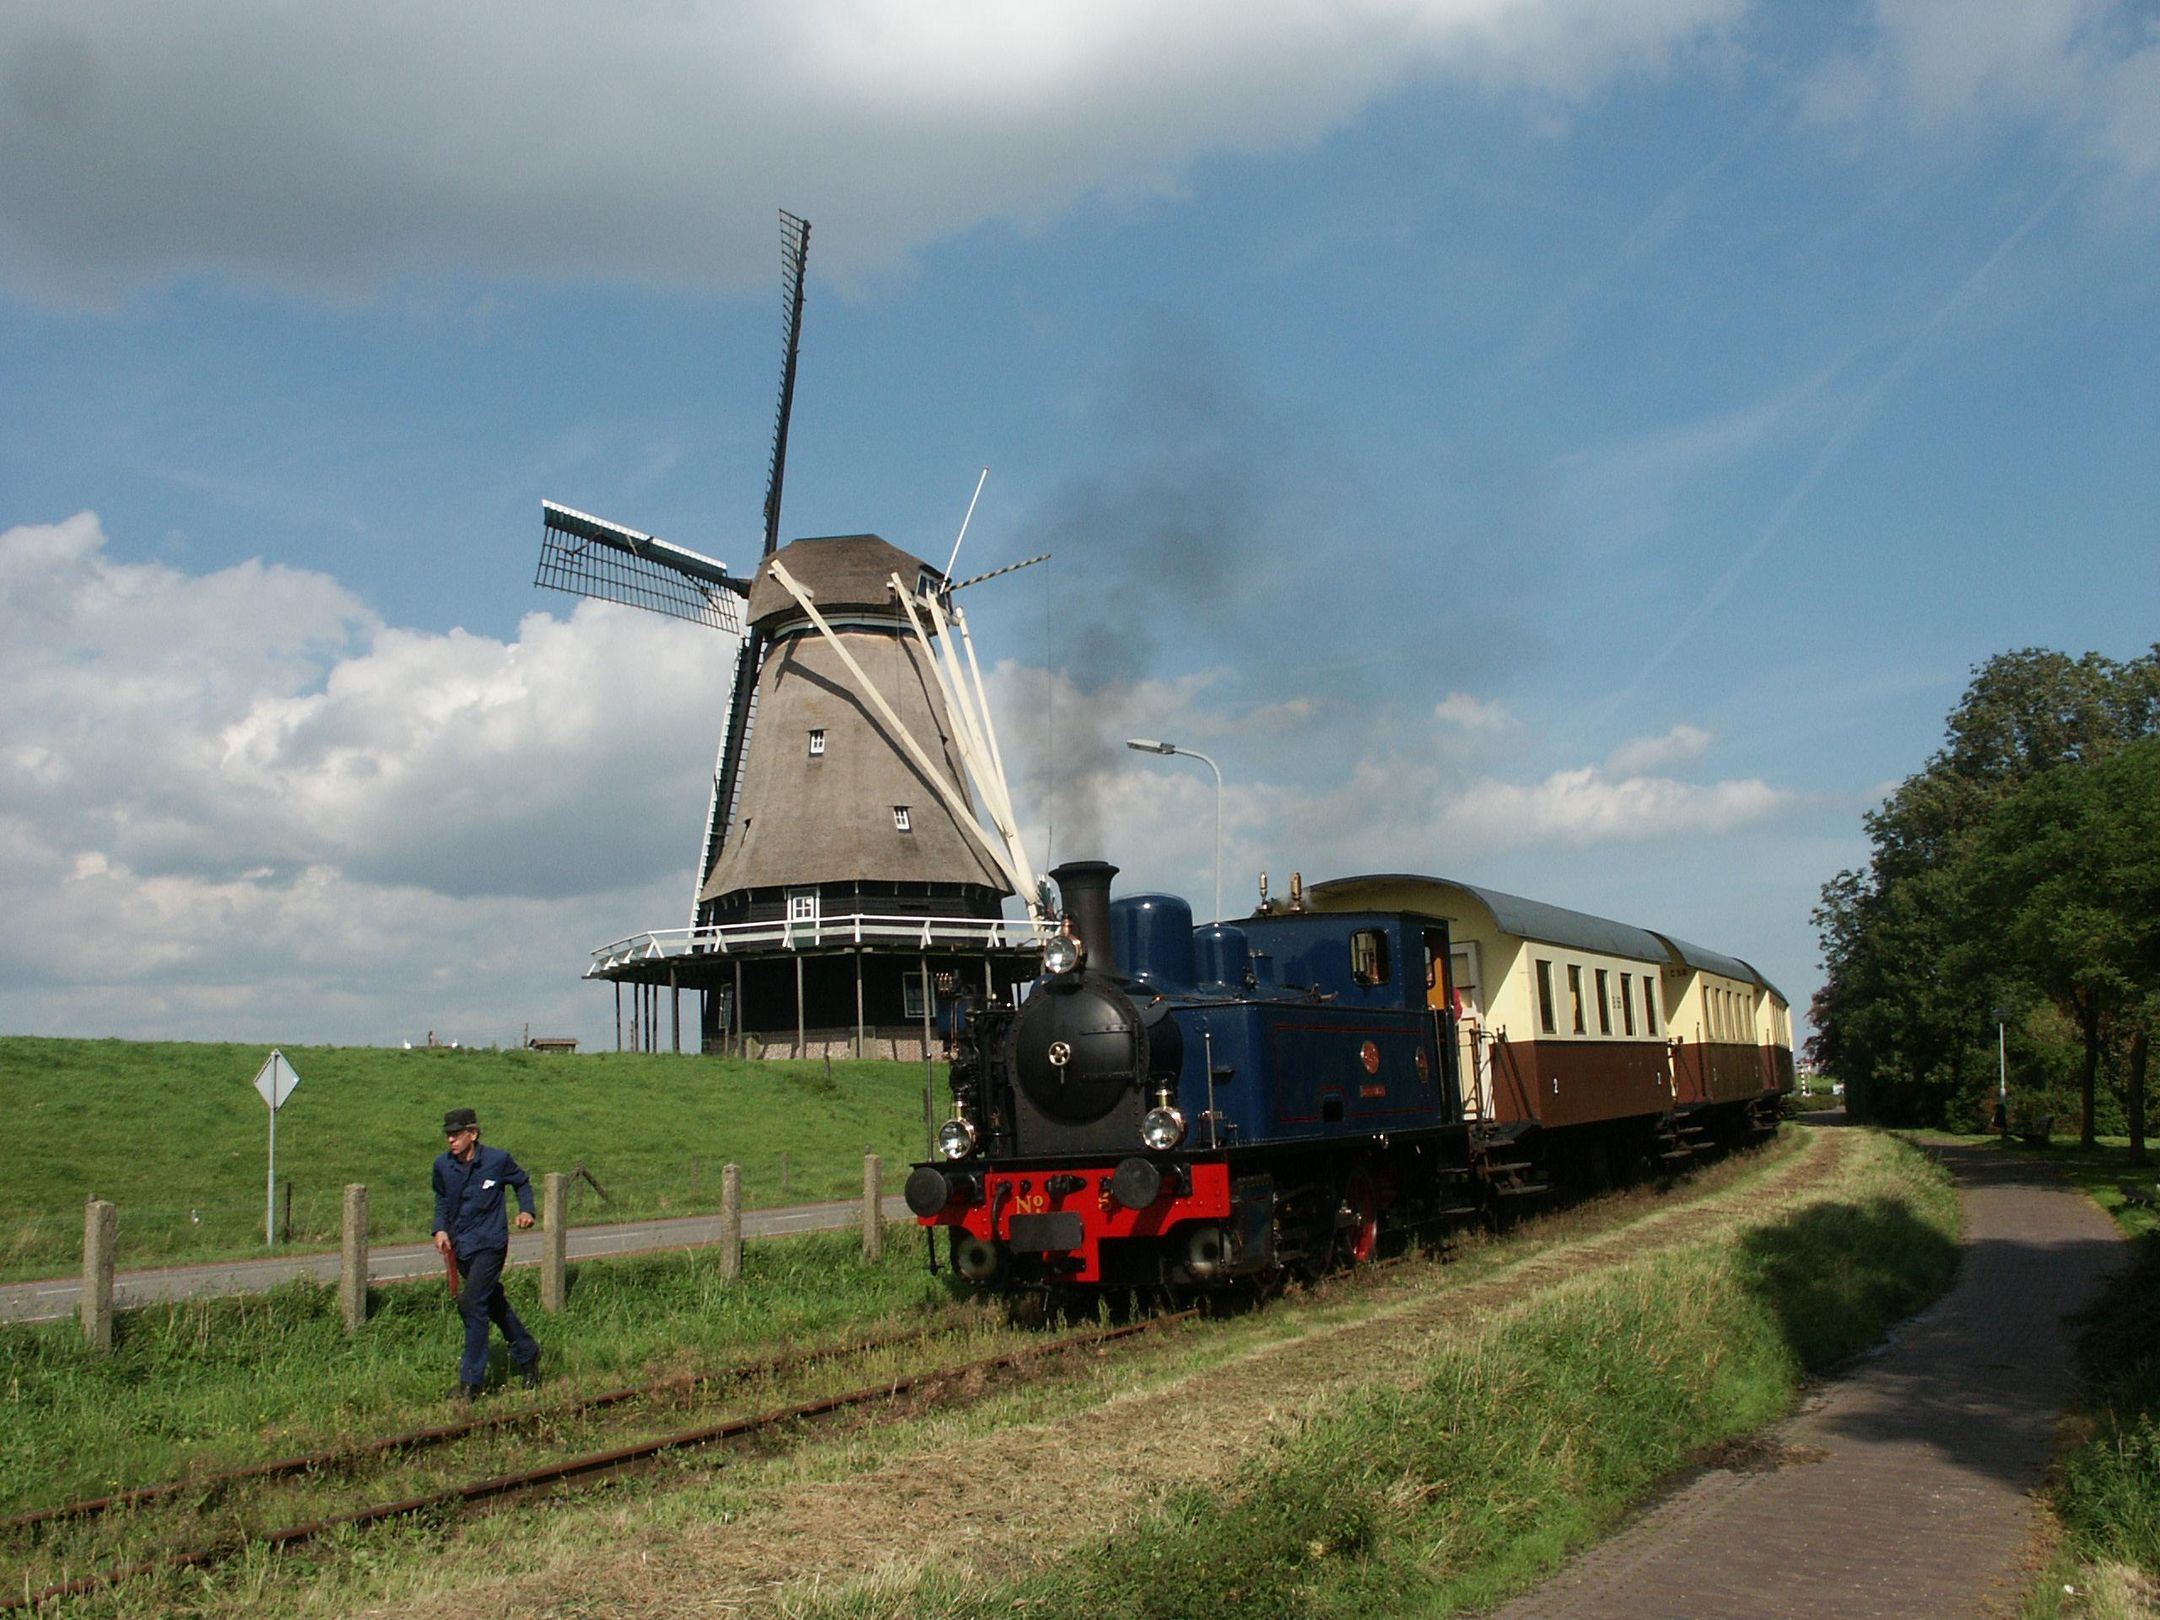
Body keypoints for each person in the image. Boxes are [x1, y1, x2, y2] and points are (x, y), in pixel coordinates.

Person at [432, 1106, 541, 1400]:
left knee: (470, 1303)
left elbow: (521, 1181)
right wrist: (439, 1229)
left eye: (456, 1135)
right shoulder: (443, 1166)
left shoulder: (497, 1161)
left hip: (490, 1245)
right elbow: (441, 1200)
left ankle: (471, 1383)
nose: (450, 1141)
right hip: (462, 1247)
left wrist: (527, 1210)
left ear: (473, 1134)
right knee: (491, 1303)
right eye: (448, 1136)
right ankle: (528, 1353)